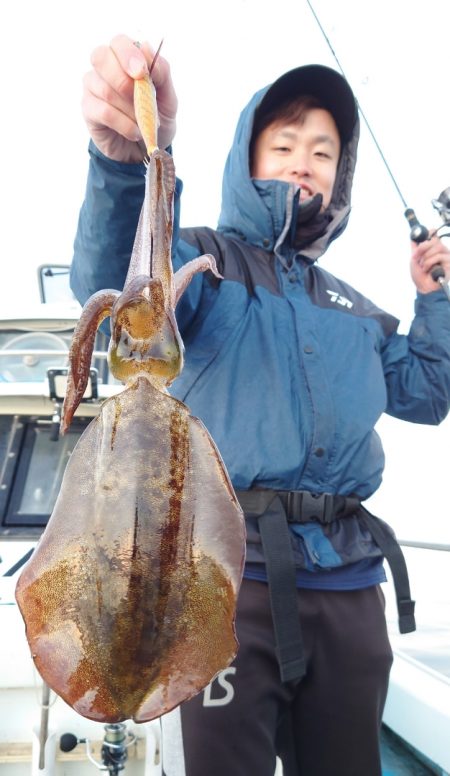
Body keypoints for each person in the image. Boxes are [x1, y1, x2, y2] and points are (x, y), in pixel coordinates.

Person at [71, 34, 450, 776]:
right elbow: (124, 293)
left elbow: (428, 393)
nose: (303, 161)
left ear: (340, 178)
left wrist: (434, 301)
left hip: (348, 583)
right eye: (284, 144)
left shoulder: (357, 310)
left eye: (323, 150)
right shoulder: (204, 265)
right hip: (222, 581)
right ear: (248, 160)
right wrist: (132, 165)